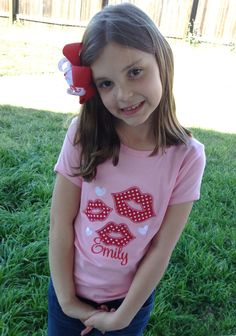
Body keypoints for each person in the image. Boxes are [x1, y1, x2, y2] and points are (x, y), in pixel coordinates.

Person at [48, 3, 206, 336]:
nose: (124, 95)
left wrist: (122, 317)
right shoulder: (82, 135)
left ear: (161, 61)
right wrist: (67, 302)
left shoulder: (187, 157)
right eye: (105, 83)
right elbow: (60, 225)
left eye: (135, 72)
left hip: (129, 304)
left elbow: (162, 248)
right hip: (67, 294)